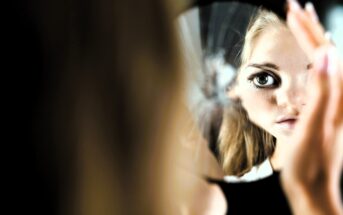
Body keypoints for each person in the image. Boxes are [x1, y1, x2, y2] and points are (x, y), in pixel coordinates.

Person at [199, 0, 342, 214]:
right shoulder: (216, 203)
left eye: (314, 77)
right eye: (264, 78)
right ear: (235, 90)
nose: (291, 100)